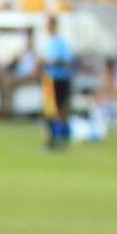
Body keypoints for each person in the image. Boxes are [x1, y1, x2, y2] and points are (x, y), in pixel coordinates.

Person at [41, 15, 77, 150]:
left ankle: (62, 138)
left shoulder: (61, 42)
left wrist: (52, 62)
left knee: (61, 110)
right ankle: (50, 139)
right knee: (49, 110)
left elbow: (68, 61)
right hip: (49, 79)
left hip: (61, 78)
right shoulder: (48, 42)